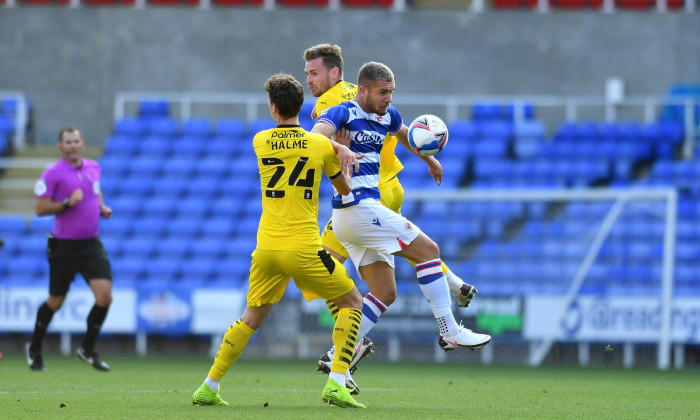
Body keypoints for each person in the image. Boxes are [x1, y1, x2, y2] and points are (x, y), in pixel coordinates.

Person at [304, 44, 481, 389]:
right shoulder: (342, 112)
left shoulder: (388, 115)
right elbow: (315, 137)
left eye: (391, 92)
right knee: (428, 251)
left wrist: (428, 159)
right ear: (363, 90)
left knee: (385, 292)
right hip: (357, 208)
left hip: (358, 216)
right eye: (383, 92)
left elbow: (403, 132)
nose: (388, 98)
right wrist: (337, 146)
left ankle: (340, 357)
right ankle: (450, 331)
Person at [191, 73, 366, 409]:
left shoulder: (260, 141)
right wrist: (340, 147)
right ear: (302, 106)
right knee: (352, 303)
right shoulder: (319, 145)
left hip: (267, 249)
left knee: (250, 319)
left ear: (273, 108)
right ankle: (336, 383)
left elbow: (288, 145)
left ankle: (209, 386)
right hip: (304, 249)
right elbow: (344, 190)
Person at [26, 126, 113, 372]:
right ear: (60, 146)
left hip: (91, 244)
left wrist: (102, 208)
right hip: (65, 246)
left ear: (82, 143)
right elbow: (40, 208)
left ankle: (87, 350)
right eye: (68, 142)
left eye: (76, 141)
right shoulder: (53, 174)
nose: (73, 145)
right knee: (55, 301)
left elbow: (95, 193)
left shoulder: (94, 167)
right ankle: (34, 350)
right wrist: (66, 203)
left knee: (105, 297)